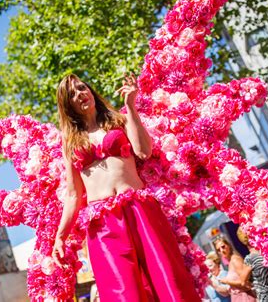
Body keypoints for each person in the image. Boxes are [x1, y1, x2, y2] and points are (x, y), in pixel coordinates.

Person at [52, 73, 200, 301]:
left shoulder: (117, 121)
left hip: (139, 208)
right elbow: (73, 194)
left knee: (166, 276)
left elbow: (143, 151)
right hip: (102, 223)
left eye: (82, 87)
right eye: (72, 94)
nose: (80, 93)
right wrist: (60, 237)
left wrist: (130, 106)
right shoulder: (70, 141)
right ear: (67, 105)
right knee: (122, 291)